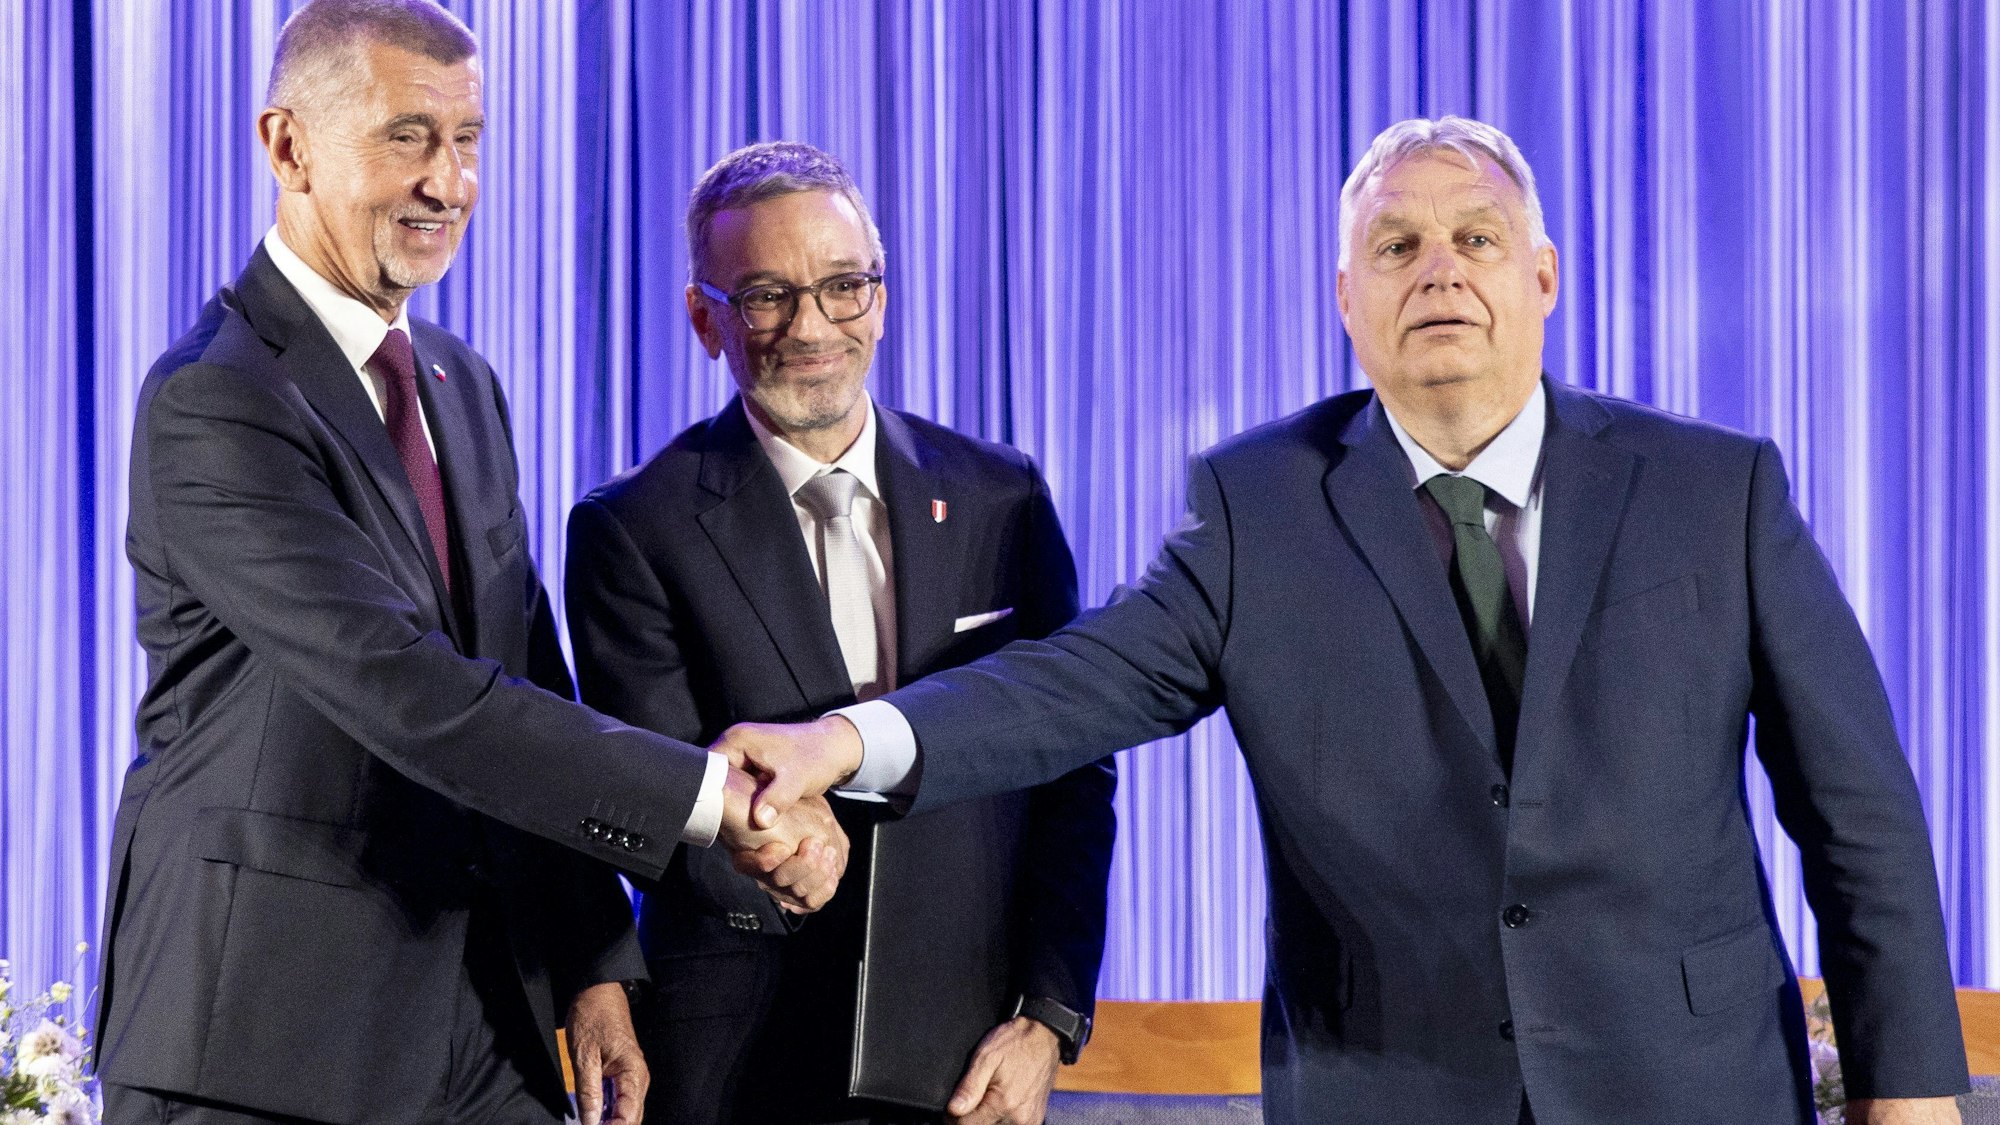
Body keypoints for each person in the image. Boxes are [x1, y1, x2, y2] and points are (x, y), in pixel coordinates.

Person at [715, 116, 1971, 1125]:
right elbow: (1065, 684)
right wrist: (843, 743)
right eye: (1395, 247)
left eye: (1477, 240)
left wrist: (1907, 1087)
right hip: (1385, 1083)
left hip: (1690, 1084)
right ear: (1343, 299)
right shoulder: (1256, 506)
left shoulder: (1714, 490)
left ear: (1540, 278)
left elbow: (1856, 810)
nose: (1438, 270)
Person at [100, 4, 844, 1124]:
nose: (448, 183)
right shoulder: (219, 398)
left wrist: (593, 965)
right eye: (407, 135)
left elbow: (523, 674)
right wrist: (709, 800)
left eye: (469, 140)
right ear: (287, 146)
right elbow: (409, 689)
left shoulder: (459, 380)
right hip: (261, 1037)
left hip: (481, 1022)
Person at [565, 141, 1116, 1125]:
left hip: (966, 1056)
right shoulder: (631, 528)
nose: (813, 327)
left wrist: (1046, 1014)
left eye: (844, 285)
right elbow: (649, 795)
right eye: (768, 294)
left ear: (882, 293)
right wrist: (769, 840)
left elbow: (1073, 765)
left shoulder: (1001, 496)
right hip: (736, 1064)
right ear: (704, 319)